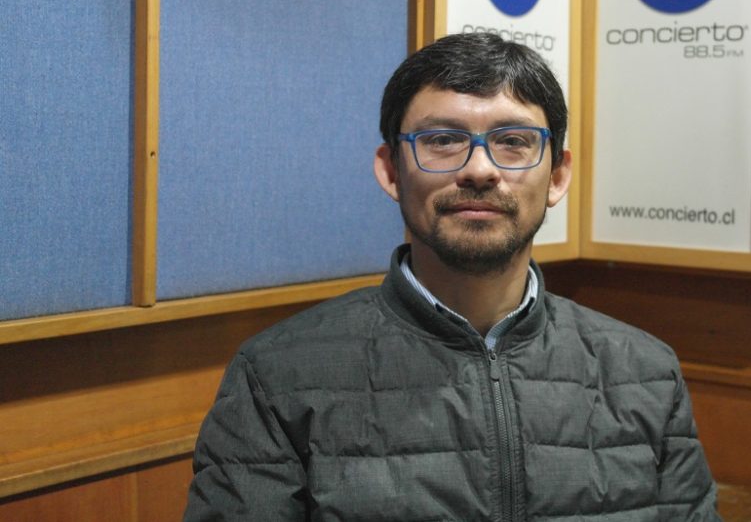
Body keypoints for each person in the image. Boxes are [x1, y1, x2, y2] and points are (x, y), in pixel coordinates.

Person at [184, 32, 720, 521]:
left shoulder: (645, 373)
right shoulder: (277, 377)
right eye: (442, 139)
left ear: (557, 176)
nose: (480, 169)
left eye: (514, 141)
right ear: (391, 172)